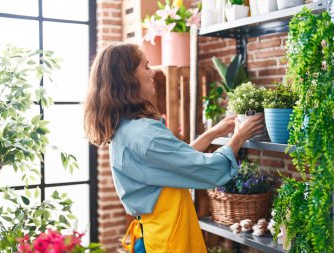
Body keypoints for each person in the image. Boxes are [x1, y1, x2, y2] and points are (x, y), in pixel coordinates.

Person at [84, 44, 264, 253]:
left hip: (153, 235)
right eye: (146, 66)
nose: (153, 73)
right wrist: (239, 137)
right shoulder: (145, 134)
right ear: (128, 78)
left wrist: (213, 132)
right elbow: (207, 169)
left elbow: (173, 162)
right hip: (168, 240)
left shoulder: (126, 127)